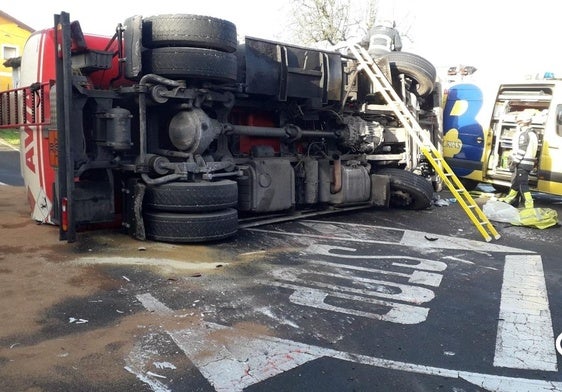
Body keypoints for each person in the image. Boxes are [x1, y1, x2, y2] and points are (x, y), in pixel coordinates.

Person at [500, 112, 539, 208]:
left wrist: (514, 162)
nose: (518, 124)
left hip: (522, 163)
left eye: (519, 122)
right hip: (528, 163)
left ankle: (529, 205)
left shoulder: (524, 134)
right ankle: (508, 200)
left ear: (522, 123)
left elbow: (522, 150)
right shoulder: (534, 133)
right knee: (516, 184)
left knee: (523, 185)